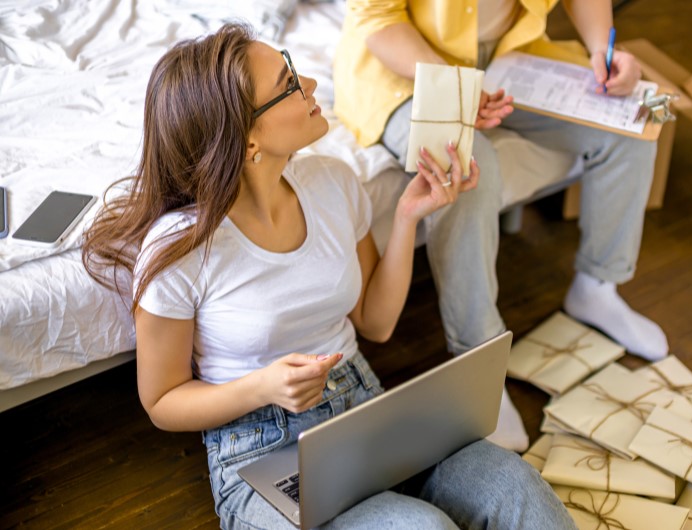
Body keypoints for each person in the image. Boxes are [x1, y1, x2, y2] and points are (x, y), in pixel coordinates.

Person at [82, 23, 575, 530]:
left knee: (513, 483)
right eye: (289, 84)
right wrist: (264, 387)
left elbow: (375, 324)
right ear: (248, 136)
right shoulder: (180, 247)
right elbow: (162, 402)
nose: (312, 84)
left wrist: (408, 217)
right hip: (259, 453)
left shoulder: (333, 182)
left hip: (365, 411)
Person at [334, 0, 670, 452]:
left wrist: (603, 50)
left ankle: (597, 287)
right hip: (406, 68)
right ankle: (478, 359)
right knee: (471, 167)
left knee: (636, 120)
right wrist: (455, 88)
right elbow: (376, 18)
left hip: (510, 56)